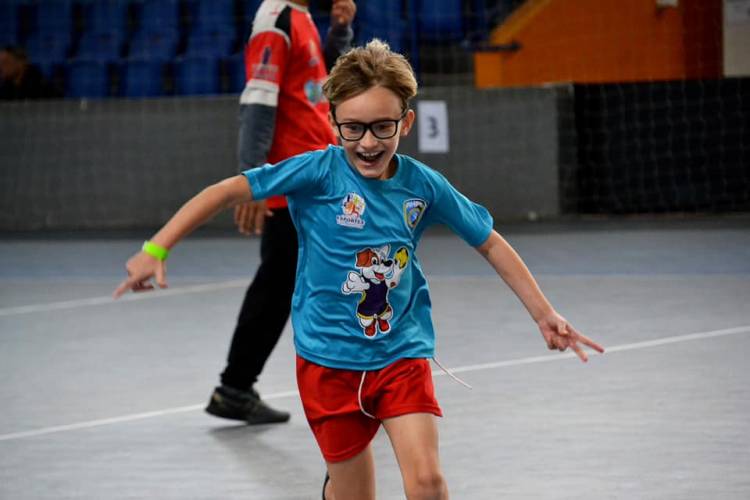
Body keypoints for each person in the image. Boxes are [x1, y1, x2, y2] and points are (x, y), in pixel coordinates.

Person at [114, 39, 605, 500]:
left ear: (405, 123)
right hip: (327, 362)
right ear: (333, 123)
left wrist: (544, 314)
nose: (368, 142)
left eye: (382, 127)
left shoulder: (423, 186)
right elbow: (223, 192)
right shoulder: (317, 172)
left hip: (401, 354)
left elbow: (490, 243)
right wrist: (156, 250)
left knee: (428, 482)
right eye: (354, 128)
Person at [204, 0, 356, 425]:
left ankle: (235, 386)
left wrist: (339, 33)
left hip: (315, 178)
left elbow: (314, 86)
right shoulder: (277, 19)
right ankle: (237, 386)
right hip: (293, 182)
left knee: (283, 284)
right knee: (292, 283)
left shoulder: (302, 18)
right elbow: (258, 101)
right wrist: (253, 180)